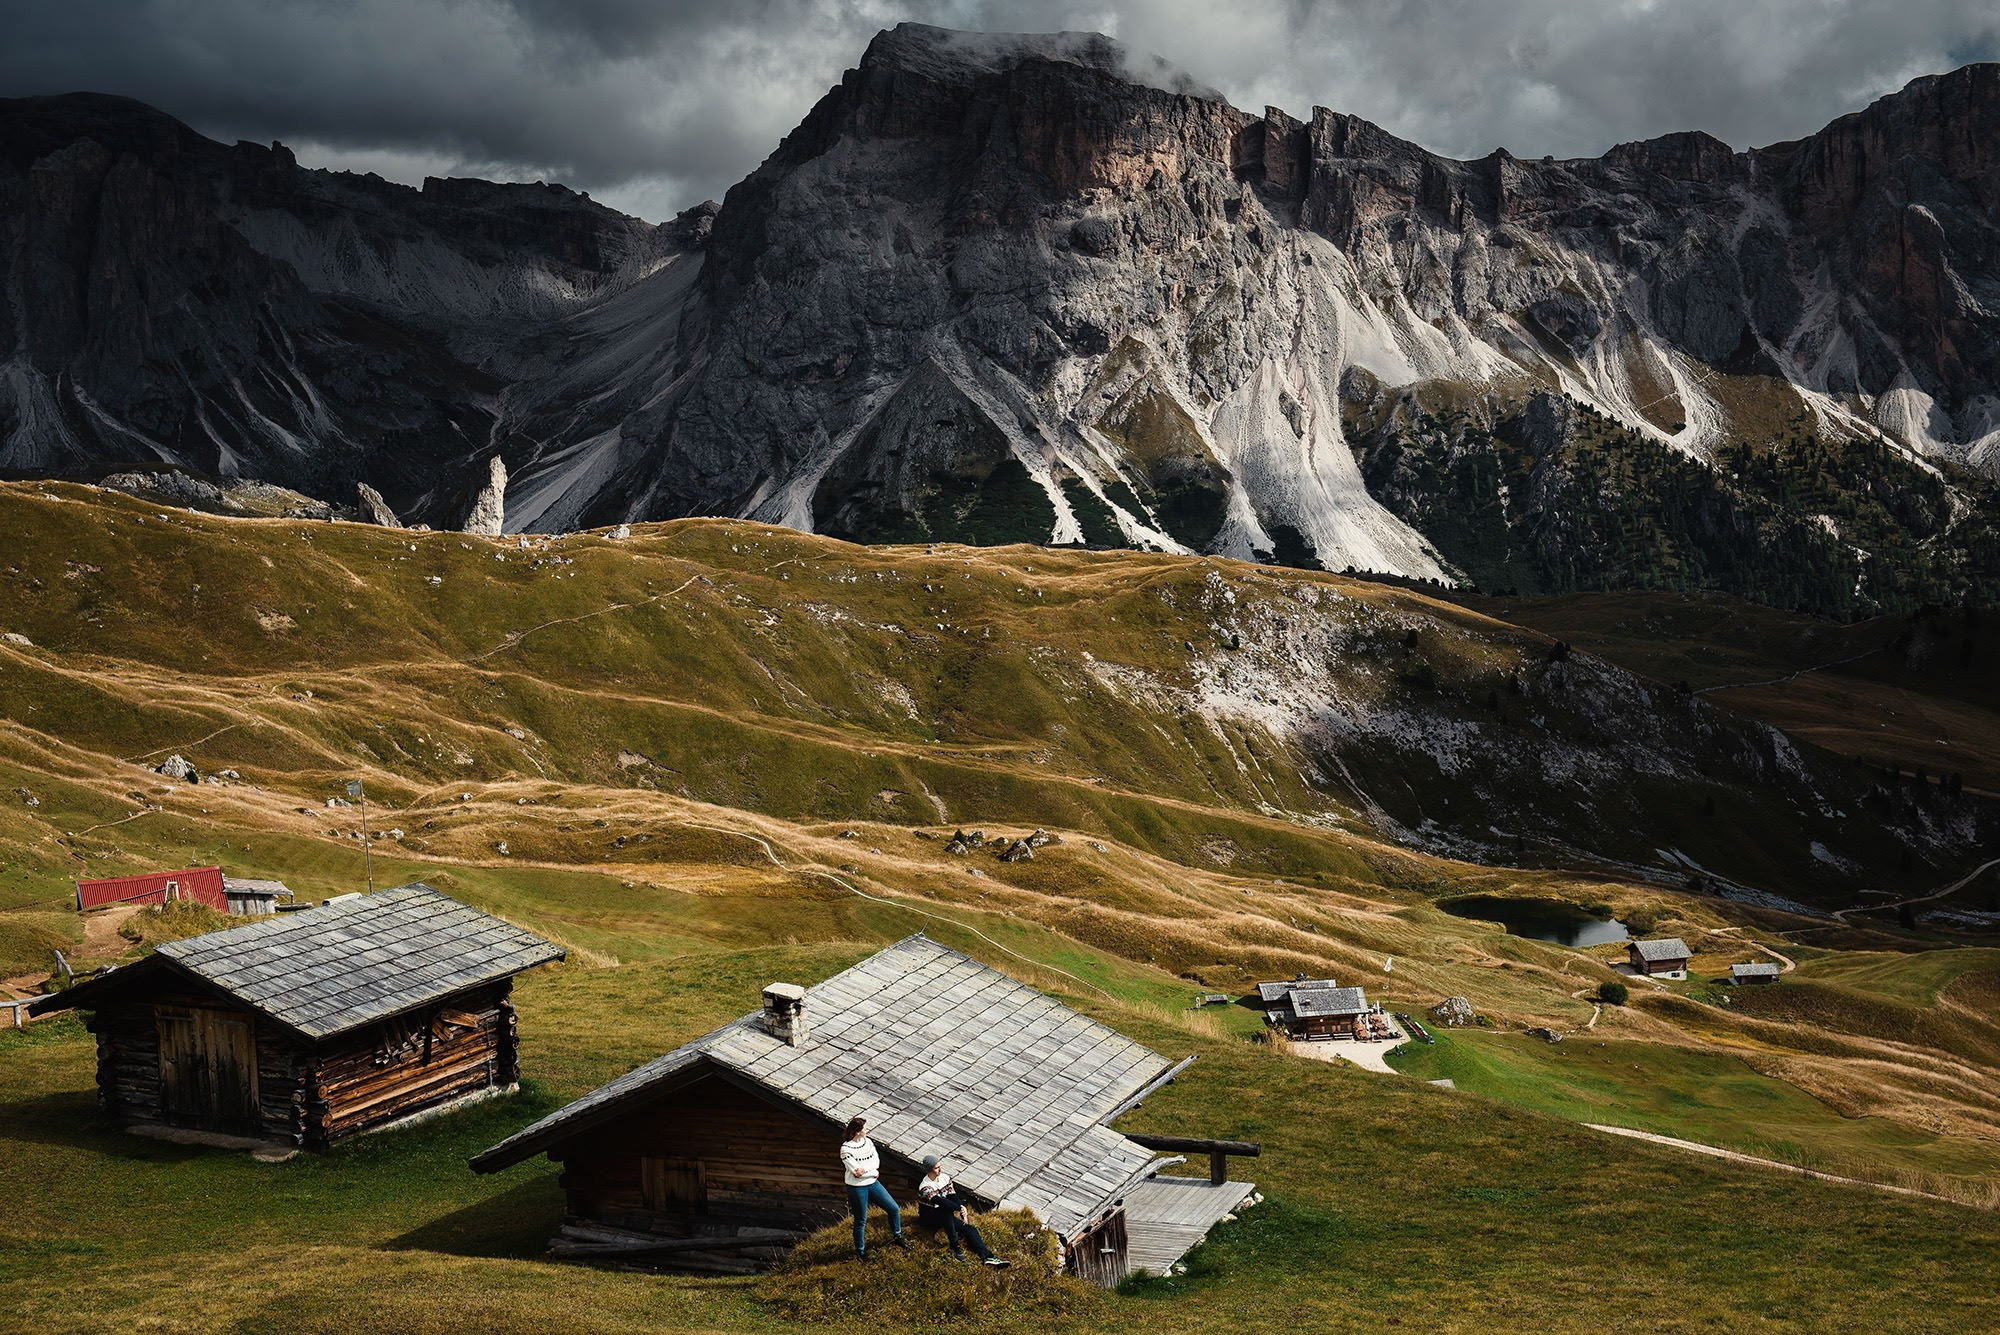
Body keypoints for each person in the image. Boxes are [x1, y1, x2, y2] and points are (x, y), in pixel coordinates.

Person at [917, 1154, 1010, 1267]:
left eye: (940, 1166)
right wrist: (960, 1208)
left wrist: (962, 1207)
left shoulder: (945, 1178)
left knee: (970, 1229)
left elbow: (953, 1196)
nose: (940, 1169)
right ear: (929, 1170)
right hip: (929, 1218)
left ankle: (987, 1257)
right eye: (937, 1168)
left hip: (944, 1216)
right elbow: (941, 1202)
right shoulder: (925, 1186)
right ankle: (954, 1245)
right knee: (946, 1210)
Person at [839, 1115, 908, 1259]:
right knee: (861, 1220)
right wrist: (872, 1172)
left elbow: (876, 1162)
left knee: (893, 1208)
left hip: (872, 1183)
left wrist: (867, 1170)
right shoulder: (846, 1149)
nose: (867, 1130)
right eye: (865, 1128)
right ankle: (861, 1251)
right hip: (857, 1187)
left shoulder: (868, 1142)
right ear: (858, 1131)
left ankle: (897, 1236)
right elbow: (856, 1173)